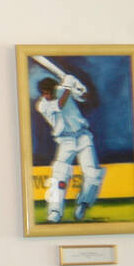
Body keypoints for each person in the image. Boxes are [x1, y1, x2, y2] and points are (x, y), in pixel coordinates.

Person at [35, 67, 104, 223]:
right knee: (59, 173)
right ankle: (54, 211)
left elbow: (84, 97)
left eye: (49, 92)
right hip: (65, 141)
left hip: (83, 136)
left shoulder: (61, 90)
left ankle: (84, 204)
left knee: (93, 174)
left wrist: (76, 85)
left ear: (54, 88)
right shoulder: (42, 105)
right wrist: (67, 86)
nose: (47, 95)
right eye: (44, 93)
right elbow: (59, 105)